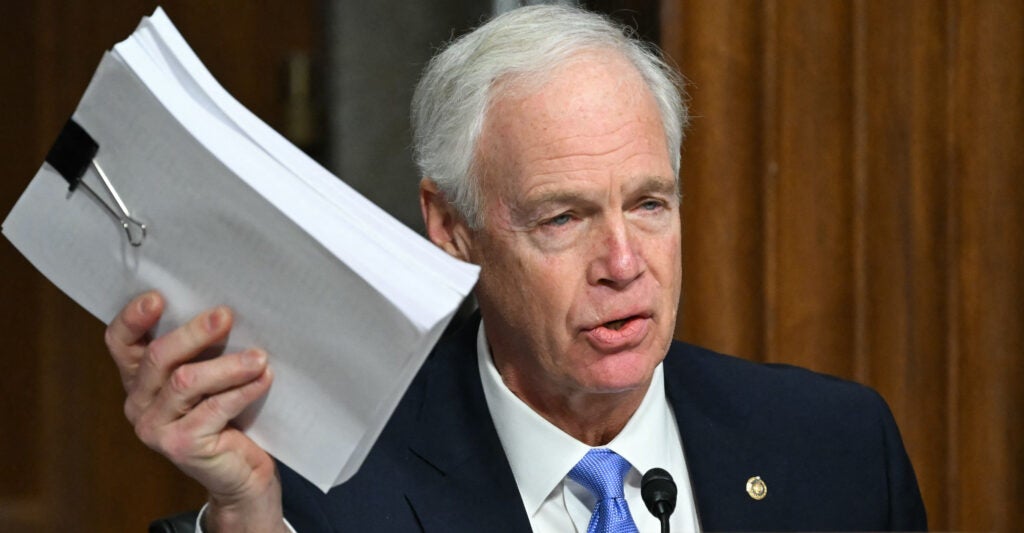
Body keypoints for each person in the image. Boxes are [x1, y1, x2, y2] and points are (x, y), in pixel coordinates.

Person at [106, 5, 927, 532]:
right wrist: (249, 516)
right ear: (453, 228)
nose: (622, 263)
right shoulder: (323, 496)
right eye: (563, 217)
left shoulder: (838, 451)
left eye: (649, 203)